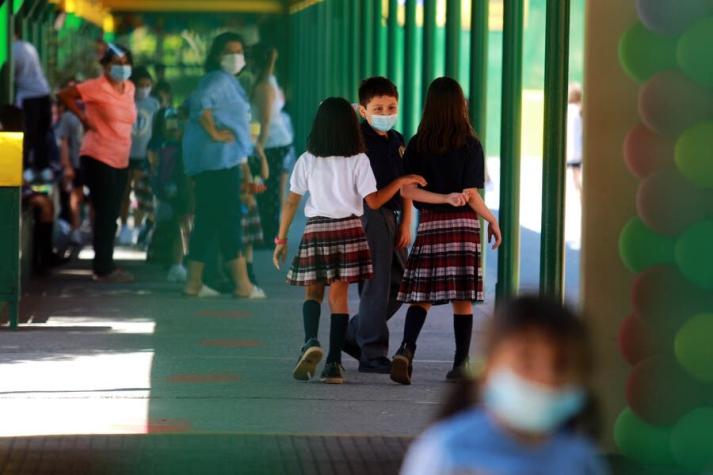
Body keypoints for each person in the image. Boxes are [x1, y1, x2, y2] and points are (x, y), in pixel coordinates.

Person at [273, 97, 426, 384]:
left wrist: (281, 238)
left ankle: (310, 341)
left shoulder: (307, 160)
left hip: (317, 229)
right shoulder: (359, 160)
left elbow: (291, 202)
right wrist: (398, 182)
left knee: (313, 293)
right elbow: (375, 200)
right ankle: (333, 363)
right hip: (349, 230)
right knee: (339, 298)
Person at [400, 296, 608, 475]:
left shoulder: (579, 458)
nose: (545, 378)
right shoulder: (448, 452)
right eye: (526, 361)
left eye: (560, 365)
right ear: (487, 370)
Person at [390, 77, 502, 385]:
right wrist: (491, 220)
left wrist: (439, 199)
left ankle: (406, 349)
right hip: (463, 227)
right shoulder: (470, 144)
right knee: (462, 297)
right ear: (459, 105)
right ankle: (460, 363)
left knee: (421, 295)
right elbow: (471, 194)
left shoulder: (417, 144)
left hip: (431, 225)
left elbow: (409, 193)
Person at [181, 32, 264, 299]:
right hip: (218, 161)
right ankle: (242, 284)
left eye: (239, 51)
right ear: (217, 55)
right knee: (229, 220)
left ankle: (193, 282)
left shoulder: (225, 81)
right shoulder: (217, 80)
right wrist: (216, 134)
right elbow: (199, 105)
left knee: (206, 220)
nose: (235, 56)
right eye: (229, 51)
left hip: (216, 162)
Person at [341, 77, 413, 374]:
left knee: (405, 282)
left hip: (392, 217)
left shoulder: (397, 140)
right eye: (378, 107)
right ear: (363, 110)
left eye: (391, 107)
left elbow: (407, 181)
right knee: (377, 283)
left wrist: (407, 221)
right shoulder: (356, 141)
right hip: (369, 215)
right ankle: (372, 351)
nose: (385, 113)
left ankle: (353, 332)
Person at [58, 43, 138, 283]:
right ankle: (103, 268)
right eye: (116, 63)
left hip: (121, 157)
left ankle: (106, 263)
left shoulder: (131, 88)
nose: (122, 68)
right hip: (98, 155)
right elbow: (64, 94)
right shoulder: (96, 86)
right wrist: (83, 117)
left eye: (126, 63)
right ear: (105, 66)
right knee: (104, 212)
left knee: (112, 211)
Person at [250, 44, 295, 245]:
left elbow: (266, 120)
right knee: (268, 189)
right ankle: (269, 234)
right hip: (276, 142)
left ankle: (268, 235)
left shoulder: (264, 86)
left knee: (266, 190)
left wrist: (258, 146)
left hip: (271, 143)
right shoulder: (268, 81)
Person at [118, 66, 161, 246]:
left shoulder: (154, 104)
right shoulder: (124, 101)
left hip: (145, 154)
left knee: (143, 192)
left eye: (148, 85)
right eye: (141, 85)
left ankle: (140, 226)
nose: (144, 88)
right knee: (125, 191)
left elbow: (158, 128)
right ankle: (124, 227)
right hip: (126, 154)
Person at [13, 22, 53, 184]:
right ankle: (43, 168)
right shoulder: (28, 46)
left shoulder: (11, 50)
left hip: (28, 97)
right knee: (42, 134)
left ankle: (26, 169)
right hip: (44, 92)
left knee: (26, 133)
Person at [55, 78, 86, 248]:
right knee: (76, 196)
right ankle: (75, 230)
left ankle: (94, 232)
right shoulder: (68, 116)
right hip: (76, 162)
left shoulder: (90, 110)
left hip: (92, 160)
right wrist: (66, 164)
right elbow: (64, 141)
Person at [567, 84, 584, 194]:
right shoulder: (581, 111)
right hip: (578, 149)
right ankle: (578, 189)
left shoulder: (566, 109)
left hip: (567, 147)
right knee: (576, 173)